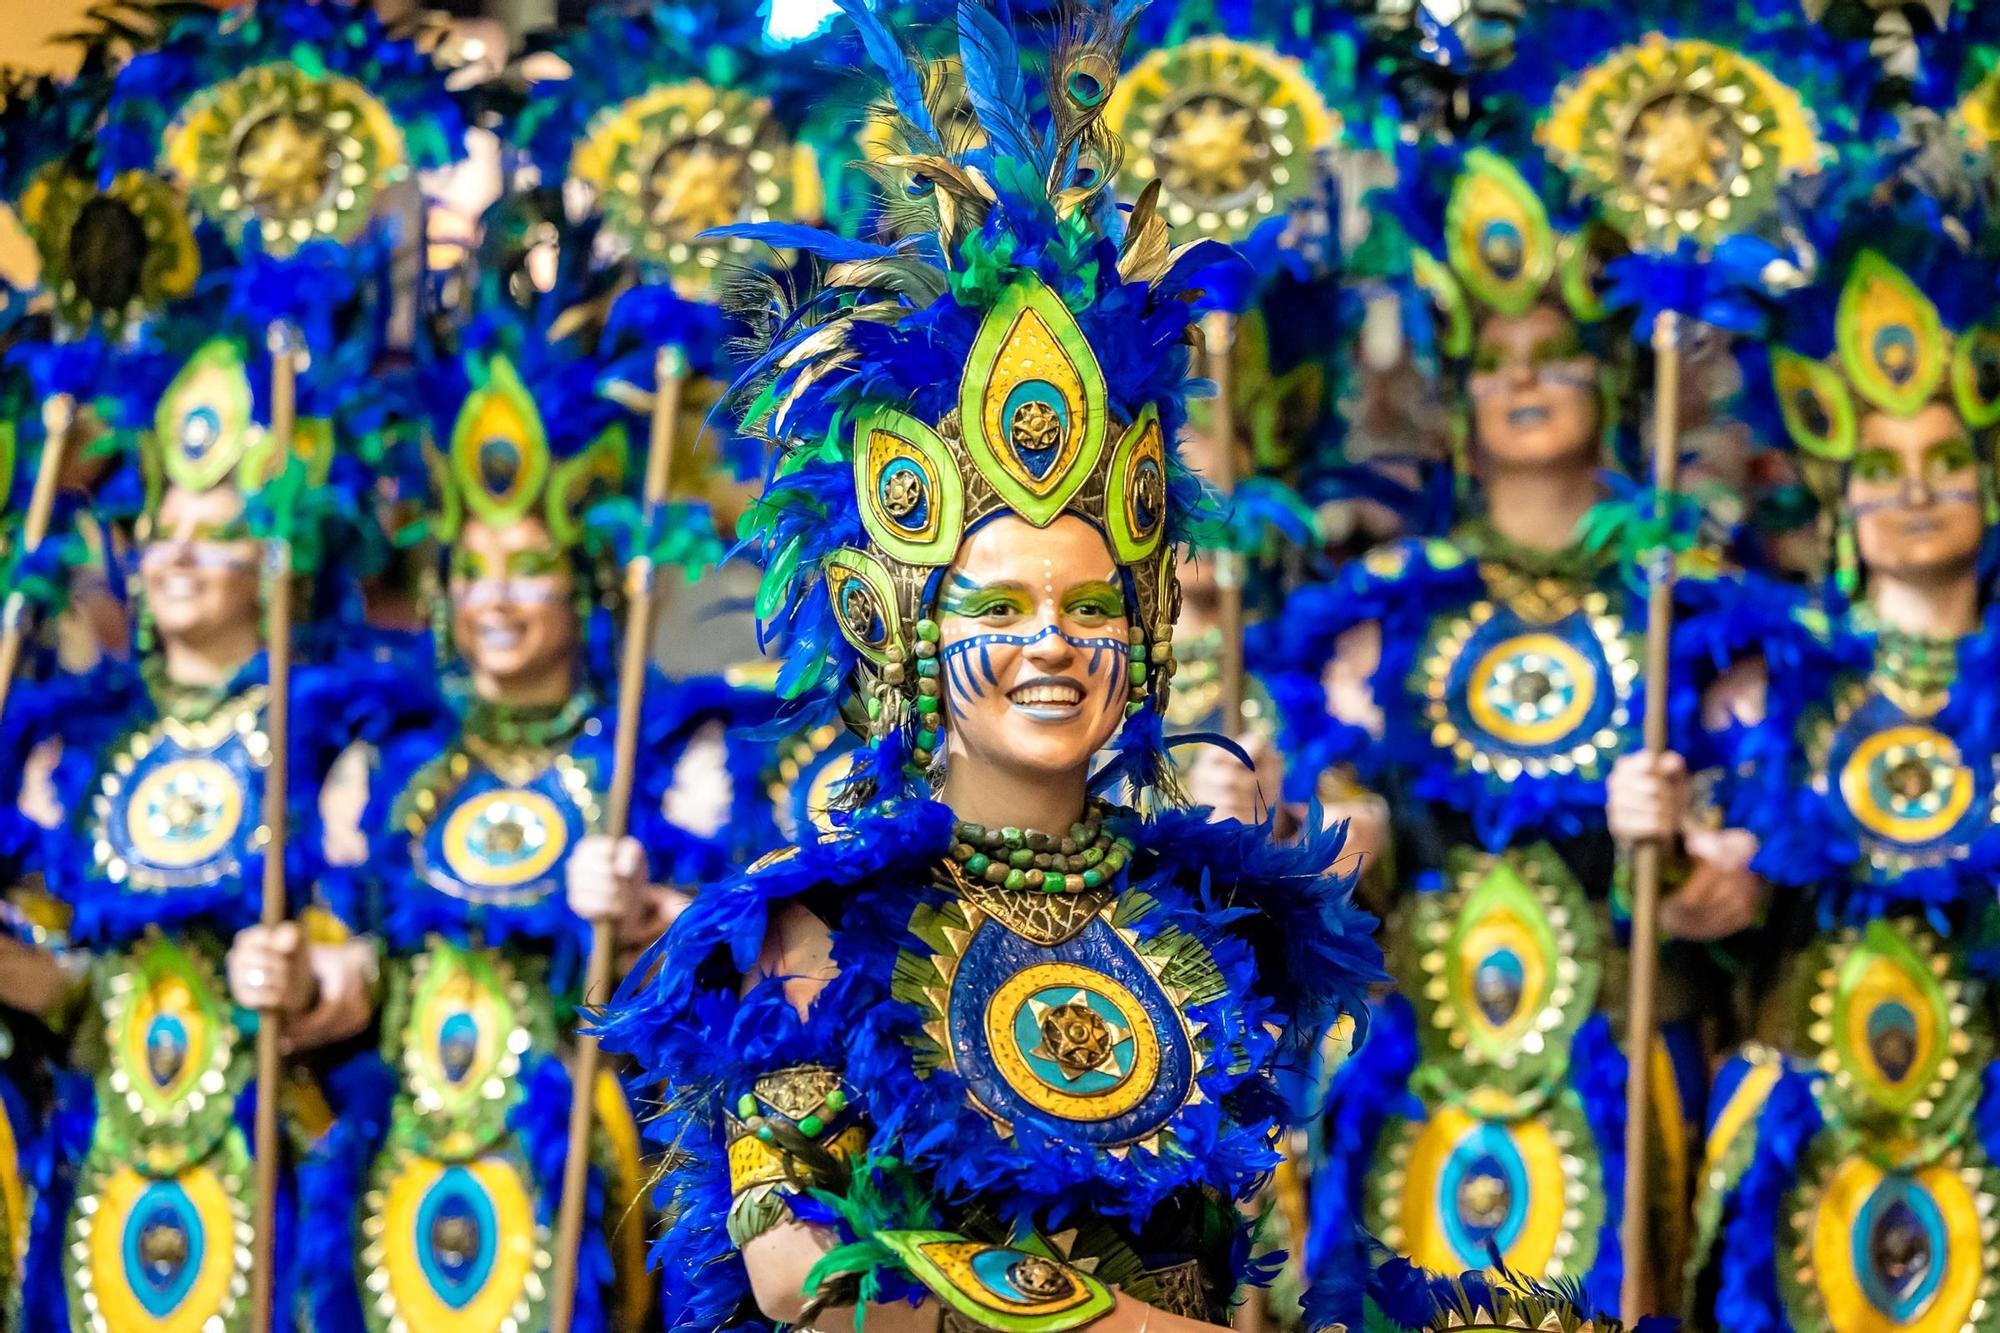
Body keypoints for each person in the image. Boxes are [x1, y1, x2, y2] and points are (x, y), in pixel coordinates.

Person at [578, 2, 1399, 1330]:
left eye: (1090, 606)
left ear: (1146, 629)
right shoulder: (817, 929)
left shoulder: (1210, 912)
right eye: (1000, 606)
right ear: (901, 628)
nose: (1051, 645)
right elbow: (803, 1273)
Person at [337, 253, 781, 1330]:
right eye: (472, 568)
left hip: (592, 1198)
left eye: (525, 567)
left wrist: (646, 918)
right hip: (407, 1187)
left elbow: (752, 973)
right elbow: (359, 976)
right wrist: (305, 981)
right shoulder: (392, 767)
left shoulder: (664, 754)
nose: (495, 598)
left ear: (580, 582)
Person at [1634, 158, 2000, 1332]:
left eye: (1943, 463)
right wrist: (1662, 846)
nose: (1911, 492)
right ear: (1837, 501)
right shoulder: (1771, 683)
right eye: (1878, 470)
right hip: (1811, 1146)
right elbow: (1710, 909)